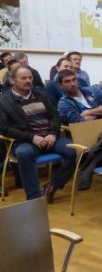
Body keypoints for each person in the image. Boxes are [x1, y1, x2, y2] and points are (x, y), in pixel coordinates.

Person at [0, 65, 77, 203]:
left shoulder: (41, 94)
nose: (28, 81)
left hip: (50, 138)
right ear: (13, 81)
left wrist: (53, 133)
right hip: (26, 141)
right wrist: (32, 137)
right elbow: (4, 128)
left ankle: (52, 187)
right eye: (23, 78)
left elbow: (55, 116)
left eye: (30, 77)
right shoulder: (4, 101)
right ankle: (34, 199)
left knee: (76, 150)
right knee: (24, 153)